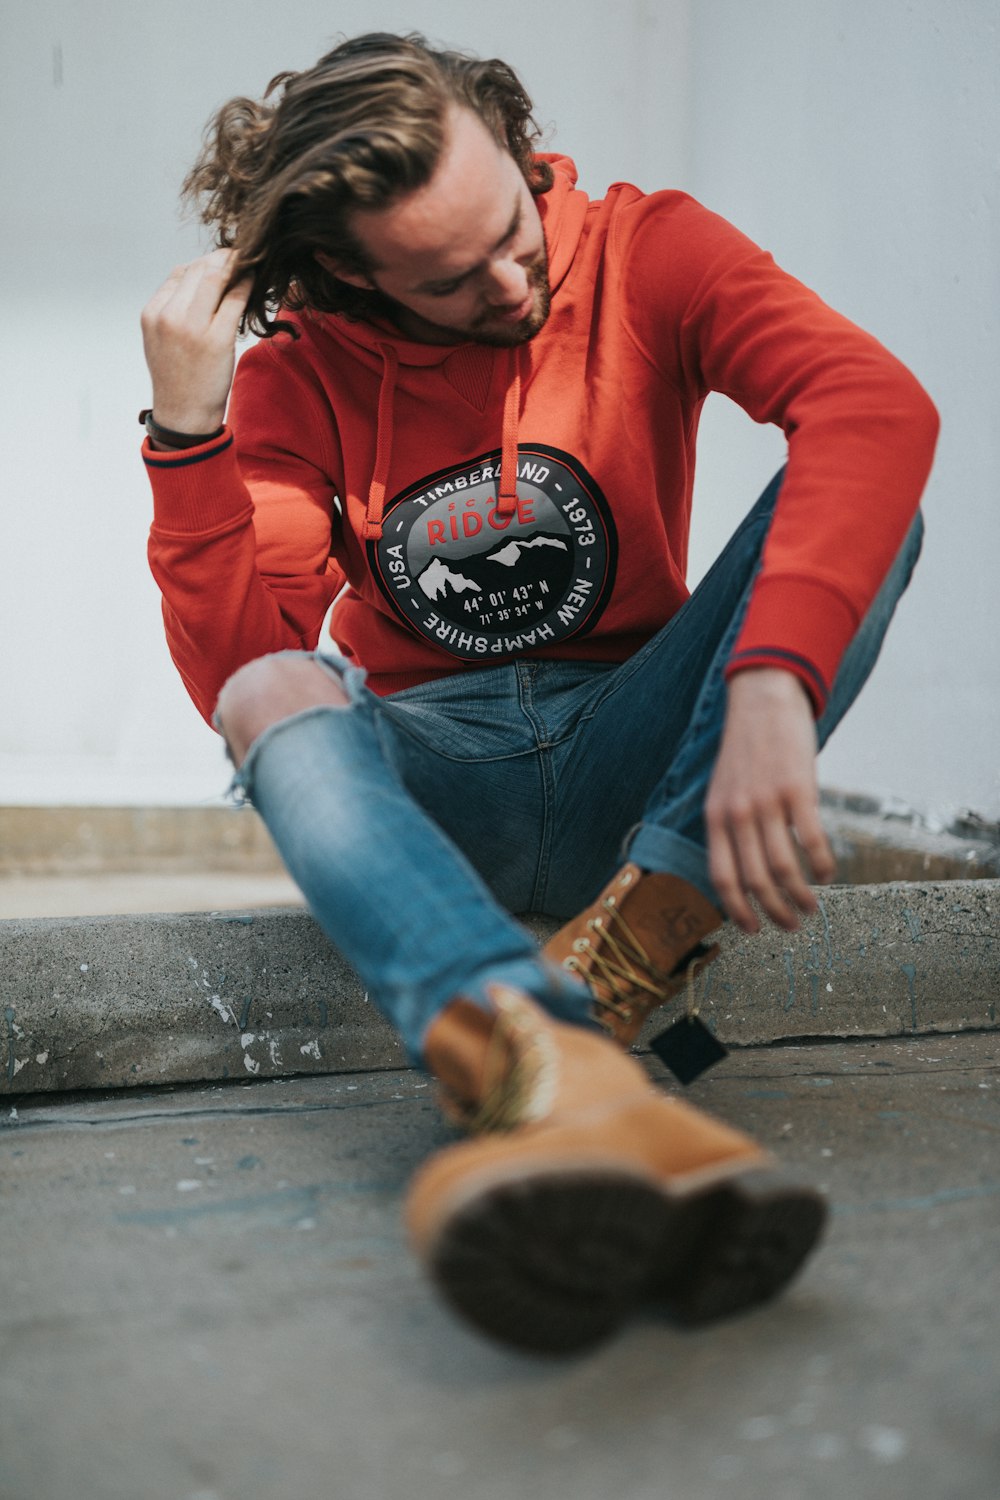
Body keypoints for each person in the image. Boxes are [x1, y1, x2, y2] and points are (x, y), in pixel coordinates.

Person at [140, 32, 938, 1354]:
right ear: (347, 270)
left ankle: (622, 960)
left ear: (515, 147)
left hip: (636, 745)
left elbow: (872, 401)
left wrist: (772, 689)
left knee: (866, 503)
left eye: (515, 228)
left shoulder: (650, 251)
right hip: (440, 784)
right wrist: (187, 434)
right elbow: (244, 660)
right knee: (274, 690)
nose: (514, 282)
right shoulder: (302, 376)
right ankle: (541, 1047)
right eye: (453, 282)